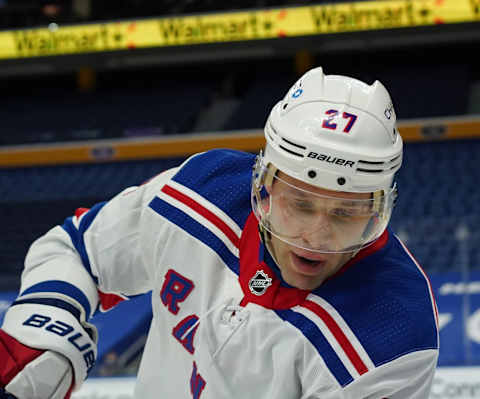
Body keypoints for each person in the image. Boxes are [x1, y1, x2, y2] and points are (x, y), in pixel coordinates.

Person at [0, 67, 439, 399]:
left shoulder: (392, 334)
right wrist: (45, 324)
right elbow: (80, 249)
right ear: (263, 187)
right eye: (300, 204)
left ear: (377, 210)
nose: (316, 236)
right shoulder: (201, 191)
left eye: (345, 214)